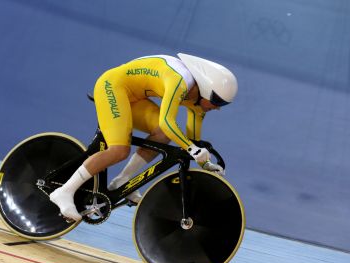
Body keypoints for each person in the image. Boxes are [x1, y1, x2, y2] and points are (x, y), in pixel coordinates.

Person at [50, 53, 238, 221]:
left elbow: (193, 142)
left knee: (165, 134)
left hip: (134, 98)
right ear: (206, 87)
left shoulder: (200, 103)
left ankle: (123, 180)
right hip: (112, 87)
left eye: (223, 104)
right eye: (217, 101)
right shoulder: (179, 80)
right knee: (119, 150)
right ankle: (64, 191)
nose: (217, 107)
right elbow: (167, 121)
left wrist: (205, 164)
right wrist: (193, 149)